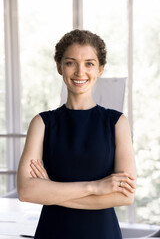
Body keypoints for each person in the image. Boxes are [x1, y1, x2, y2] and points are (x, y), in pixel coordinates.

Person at [17, 29, 136, 239]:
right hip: (52, 233)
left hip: (102, 234)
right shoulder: (42, 123)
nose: (80, 72)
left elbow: (125, 196)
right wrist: (96, 187)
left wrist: (50, 192)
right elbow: (26, 191)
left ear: (100, 69)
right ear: (59, 67)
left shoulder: (117, 123)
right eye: (71, 62)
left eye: (89, 63)